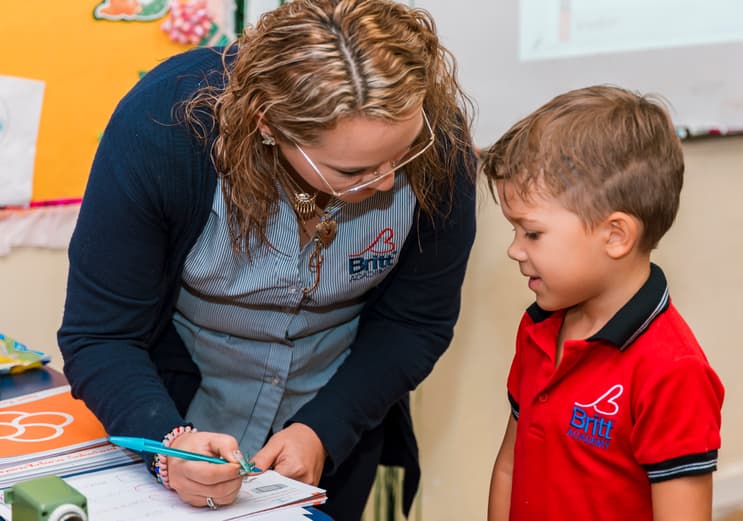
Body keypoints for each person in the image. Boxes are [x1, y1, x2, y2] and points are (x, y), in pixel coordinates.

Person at [57, 1, 476, 519]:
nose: (389, 182)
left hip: (338, 410)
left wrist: (324, 428)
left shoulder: (436, 142)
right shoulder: (163, 129)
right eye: (355, 171)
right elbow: (100, 335)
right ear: (269, 127)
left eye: (403, 154)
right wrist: (167, 446)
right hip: (176, 399)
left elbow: (416, 321)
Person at [482, 85, 724, 521]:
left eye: (531, 232)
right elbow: (509, 468)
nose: (514, 249)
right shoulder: (537, 329)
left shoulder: (673, 372)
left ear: (616, 236)